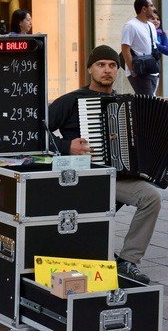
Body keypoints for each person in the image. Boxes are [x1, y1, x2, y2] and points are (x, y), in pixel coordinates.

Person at [48, 45, 160, 284]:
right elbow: (34, 130)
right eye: (100, 65)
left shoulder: (126, 103)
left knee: (151, 197)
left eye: (112, 65)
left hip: (118, 176)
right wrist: (67, 146)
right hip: (86, 175)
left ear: (117, 70)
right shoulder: (70, 101)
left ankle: (128, 261)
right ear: (90, 69)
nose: (107, 70)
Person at [121, 0, 159, 96]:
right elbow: (125, 49)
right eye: (151, 5)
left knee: (149, 105)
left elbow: (153, 46)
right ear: (144, 9)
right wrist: (132, 71)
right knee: (149, 105)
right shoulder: (131, 26)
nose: (154, 8)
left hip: (152, 71)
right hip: (139, 72)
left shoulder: (151, 25)